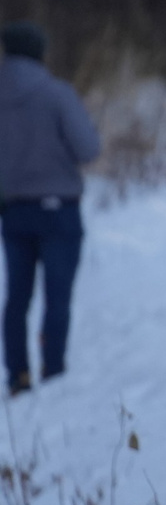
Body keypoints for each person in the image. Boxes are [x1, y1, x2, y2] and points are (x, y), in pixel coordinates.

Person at [0, 22, 100, 394]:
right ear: (40, 52)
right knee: (57, 297)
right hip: (58, 210)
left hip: (13, 211)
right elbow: (88, 149)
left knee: (16, 298)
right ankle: (53, 371)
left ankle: (17, 376)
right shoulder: (56, 94)